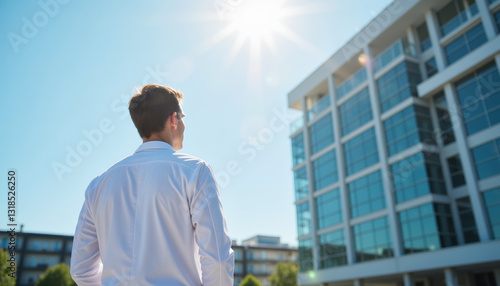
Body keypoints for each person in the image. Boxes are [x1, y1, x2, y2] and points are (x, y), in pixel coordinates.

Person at [70, 84, 234, 285]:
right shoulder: (195, 171)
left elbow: (80, 270)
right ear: (173, 120)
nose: (183, 124)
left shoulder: (98, 186)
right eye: (182, 117)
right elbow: (217, 259)